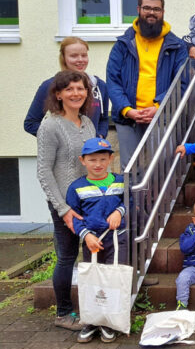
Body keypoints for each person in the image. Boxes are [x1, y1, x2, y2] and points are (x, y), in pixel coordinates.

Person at [36, 71, 96, 331]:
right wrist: (63, 209)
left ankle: (94, 307)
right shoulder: (50, 125)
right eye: (69, 89)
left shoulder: (88, 123)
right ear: (58, 94)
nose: (76, 94)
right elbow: (43, 171)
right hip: (66, 204)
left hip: (90, 201)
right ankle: (63, 313)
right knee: (67, 257)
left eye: (80, 88)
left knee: (92, 254)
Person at [106, 0, 188, 169]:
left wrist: (158, 108)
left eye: (156, 9)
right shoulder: (122, 44)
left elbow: (181, 83)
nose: (151, 12)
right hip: (128, 117)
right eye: (147, 8)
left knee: (163, 167)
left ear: (163, 12)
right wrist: (127, 110)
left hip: (162, 116)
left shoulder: (177, 46)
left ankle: (161, 199)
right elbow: (113, 81)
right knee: (129, 168)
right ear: (138, 9)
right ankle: (133, 199)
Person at [65, 138, 127, 343]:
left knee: (113, 280)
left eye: (102, 158)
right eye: (92, 160)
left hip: (117, 241)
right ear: (83, 160)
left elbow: (131, 201)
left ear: (111, 158)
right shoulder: (76, 187)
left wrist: (119, 211)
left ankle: (109, 323)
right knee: (93, 281)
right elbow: (74, 217)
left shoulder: (120, 181)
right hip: (92, 242)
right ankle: (92, 321)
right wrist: (86, 236)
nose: (98, 164)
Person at [25, 37, 109, 138]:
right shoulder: (50, 85)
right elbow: (30, 123)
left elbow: (103, 120)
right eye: (74, 56)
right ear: (64, 58)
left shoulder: (100, 86)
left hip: (90, 151)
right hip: (62, 152)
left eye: (84, 55)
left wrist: (100, 136)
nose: (80, 60)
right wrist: (60, 137)